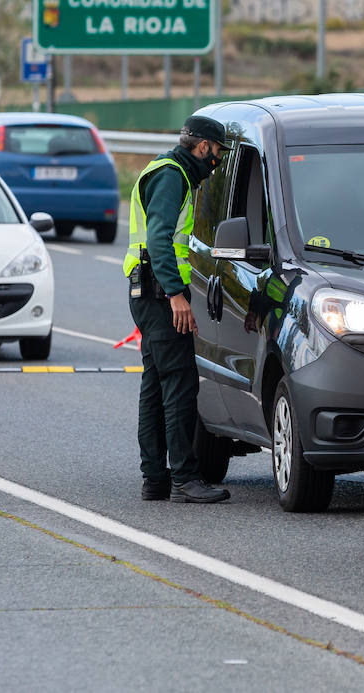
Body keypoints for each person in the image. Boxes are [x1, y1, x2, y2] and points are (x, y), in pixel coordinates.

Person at [123, 115, 232, 504]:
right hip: (158, 292)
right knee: (180, 385)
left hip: (149, 292)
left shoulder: (166, 170)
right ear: (202, 147)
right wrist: (176, 295)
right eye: (217, 153)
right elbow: (159, 240)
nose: (216, 161)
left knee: (155, 386)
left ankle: (155, 479)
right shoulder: (172, 177)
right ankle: (186, 477)